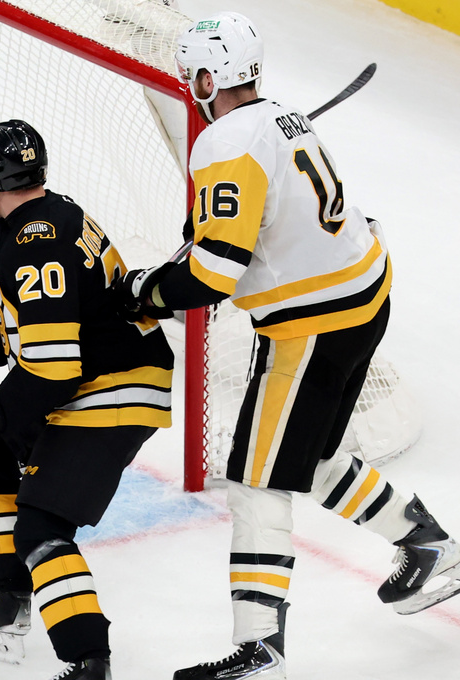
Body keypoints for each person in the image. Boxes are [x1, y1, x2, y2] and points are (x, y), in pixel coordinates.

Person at [116, 13, 460, 680]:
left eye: (194, 76)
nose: (191, 86)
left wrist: (147, 292)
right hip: (365, 297)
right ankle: (429, 546)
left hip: (314, 323)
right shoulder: (282, 117)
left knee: (255, 479)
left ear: (211, 76)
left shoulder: (225, 144)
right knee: (307, 452)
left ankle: (261, 653)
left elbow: (214, 274)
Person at [0, 120, 176, 680]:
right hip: (86, 382)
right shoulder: (21, 228)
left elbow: (52, 368)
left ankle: (86, 659)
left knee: (43, 527)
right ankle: (8, 603)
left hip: (113, 387)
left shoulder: (35, 240)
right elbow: (1, 343)